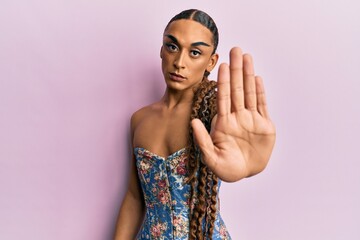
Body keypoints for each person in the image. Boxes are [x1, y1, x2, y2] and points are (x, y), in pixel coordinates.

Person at [113, 9, 276, 240]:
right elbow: (133, 197)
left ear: (211, 62)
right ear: (161, 50)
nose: (179, 62)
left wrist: (250, 165)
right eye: (172, 47)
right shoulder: (139, 119)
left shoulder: (216, 116)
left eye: (195, 52)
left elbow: (232, 140)